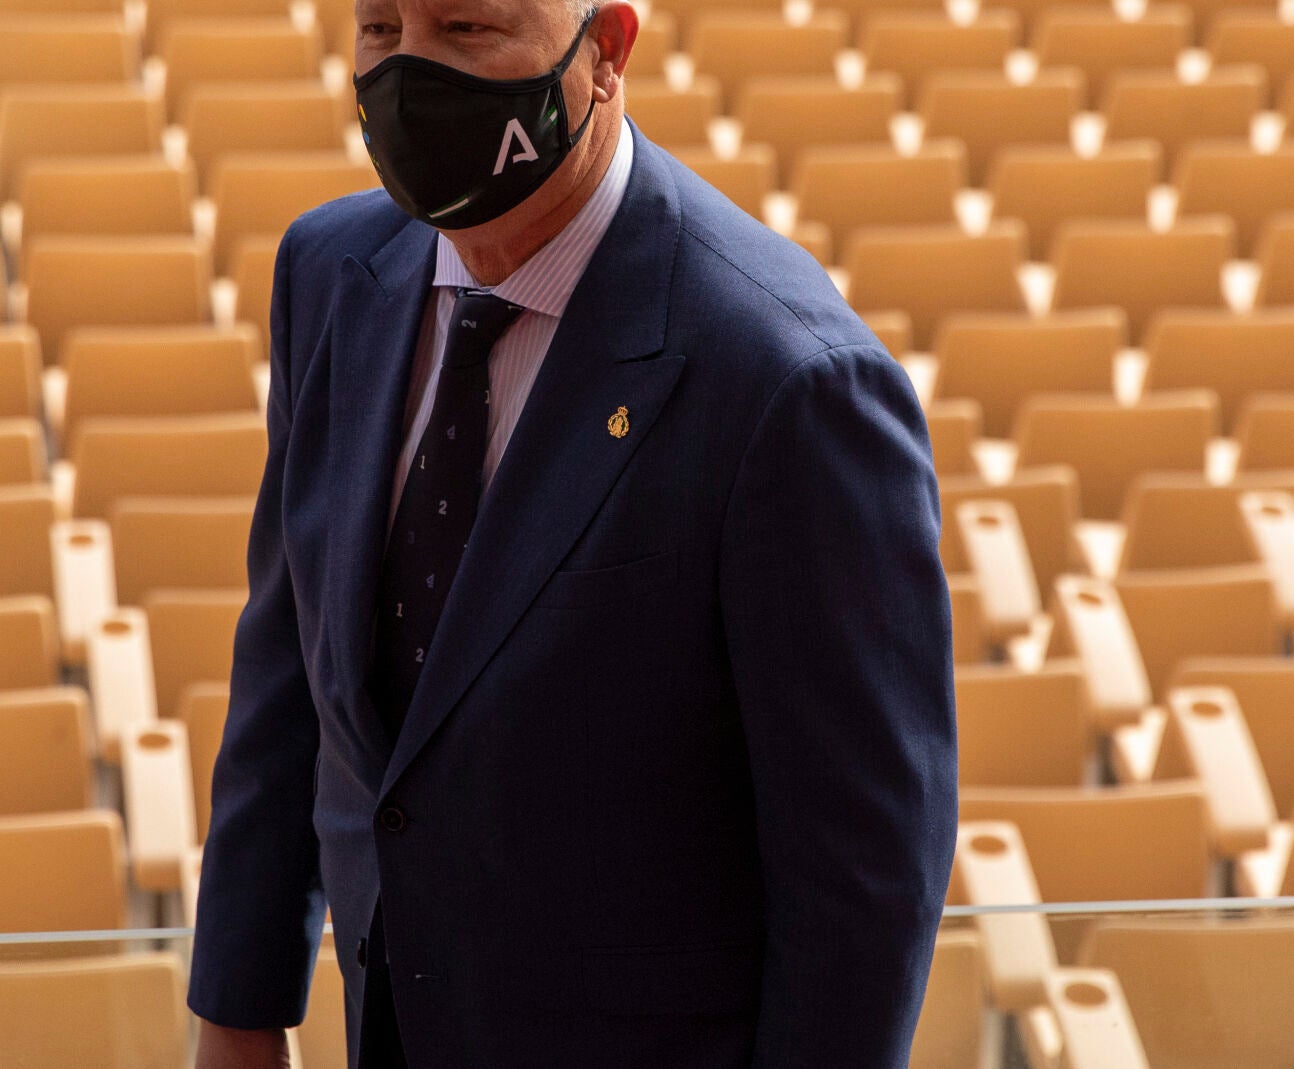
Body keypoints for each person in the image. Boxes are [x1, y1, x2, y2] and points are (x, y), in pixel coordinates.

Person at [187, 1, 958, 1066]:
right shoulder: (329, 273)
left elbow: (863, 879)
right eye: (381, 29)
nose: (409, 75)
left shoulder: (787, 380)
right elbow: (287, 673)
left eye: (466, 30)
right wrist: (237, 1014)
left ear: (606, 51)